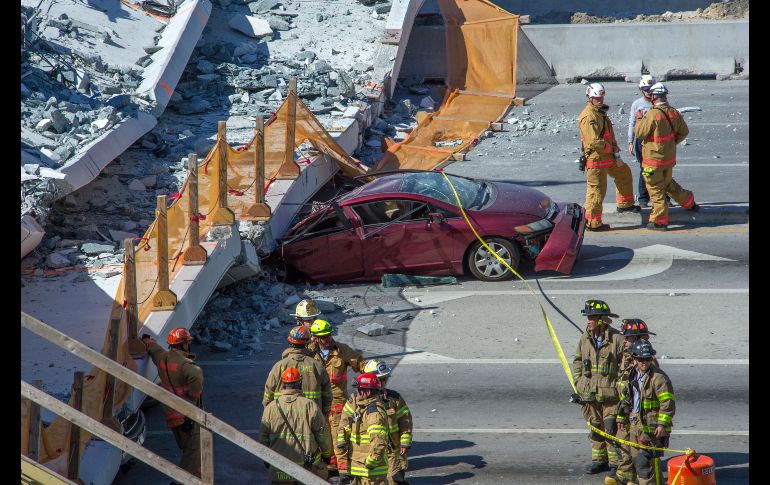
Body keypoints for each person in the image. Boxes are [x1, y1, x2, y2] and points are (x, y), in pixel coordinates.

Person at [633, 82, 699, 231]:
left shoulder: (652, 114)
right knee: (668, 183)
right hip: (668, 160)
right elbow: (684, 132)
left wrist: (638, 119)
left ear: (654, 96)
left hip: (652, 162)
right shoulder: (674, 112)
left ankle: (659, 221)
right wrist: (671, 144)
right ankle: (689, 202)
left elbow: (640, 134)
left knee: (655, 189)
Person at [308, 319, 368, 476]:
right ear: (315, 338)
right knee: (320, 436)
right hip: (316, 405)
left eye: (329, 335)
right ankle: (326, 465)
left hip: (337, 404)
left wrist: (372, 380)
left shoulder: (342, 350)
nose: (328, 339)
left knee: (338, 436)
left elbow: (362, 364)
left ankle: (342, 471)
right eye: (323, 337)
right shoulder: (308, 352)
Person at [571, 299, 624, 475]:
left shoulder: (617, 339)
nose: (589, 320)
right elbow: (577, 361)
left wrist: (620, 388)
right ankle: (599, 460)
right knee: (595, 429)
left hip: (611, 396)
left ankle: (616, 465)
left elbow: (625, 367)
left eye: (592, 317)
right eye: (588, 317)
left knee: (611, 429)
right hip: (589, 394)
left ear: (602, 319)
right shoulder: (585, 338)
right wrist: (578, 381)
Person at [142, 328, 203, 481]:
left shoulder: (164, 358)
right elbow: (196, 376)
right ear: (183, 345)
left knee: (187, 448)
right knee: (195, 451)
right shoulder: (186, 364)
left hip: (172, 415)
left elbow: (154, 349)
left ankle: (192, 478)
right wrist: (194, 395)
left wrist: (146, 341)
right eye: (187, 342)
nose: (189, 345)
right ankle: (184, 480)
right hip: (187, 415)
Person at [579, 83, 640, 232]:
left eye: (601, 97)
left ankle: (625, 204)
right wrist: (610, 147)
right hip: (597, 159)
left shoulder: (599, 112)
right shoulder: (589, 116)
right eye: (597, 98)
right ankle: (593, 223)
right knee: (596, 191)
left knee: (624, 173)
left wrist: (614, 147)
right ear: (590, 98)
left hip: (608, 156)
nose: (600, 100)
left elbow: (607, 134)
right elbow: (593, 141)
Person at [616, 340, 676, 485]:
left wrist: (662, 424)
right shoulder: (631, 374)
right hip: (635, 424)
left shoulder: (659, 378)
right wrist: (621, 417)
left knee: (645, 464)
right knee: (641, 462)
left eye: (648, 359)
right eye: (641, 359)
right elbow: (626, 398)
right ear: (635, 359)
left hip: (652, 428)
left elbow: (667, 403)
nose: (645, 362)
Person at [259, 367, 332, 484]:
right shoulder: (310, 406)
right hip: (306, 470)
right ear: (300, 384)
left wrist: (266, 459)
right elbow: (322, 435)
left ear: (283, 384)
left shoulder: (270, 408)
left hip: (280, 470)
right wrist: (327, 455)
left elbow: (263, 438)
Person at [609, 319, 659, 485]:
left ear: (638, 339)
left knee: (642, 452)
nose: (624, 340)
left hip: (642, 416)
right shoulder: (626, 356)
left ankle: (644, 480)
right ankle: (625, 477)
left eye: (628, 338)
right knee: (623, 443)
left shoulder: (646, 362)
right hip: (628, 410)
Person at [264, 326, 333, 417]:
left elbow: (268, 394)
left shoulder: (279, 366)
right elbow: (327, 395)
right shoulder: (317, 366)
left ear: (290, 342)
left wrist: (270, 413)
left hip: (284, 415)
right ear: (308, 343)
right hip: (312, 416)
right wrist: (323, 415)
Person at [364, 360, 413, 485]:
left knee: (396, 481)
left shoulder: (394, 399)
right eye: (379, 379)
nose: (383, 383)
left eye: (384, 379)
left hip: (393, 453)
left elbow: (405, 421)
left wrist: (405, 443)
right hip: (372, 453)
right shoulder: (359, 401)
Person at [336, 373, 390, 485]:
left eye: (360, 390)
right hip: (359, 469)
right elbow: (344, 421)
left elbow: (379, 442)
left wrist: (370, 462)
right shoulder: (360, 405)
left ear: (368, 392)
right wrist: (342, 442)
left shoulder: (374, 413)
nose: (357, 393)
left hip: (371, 474)